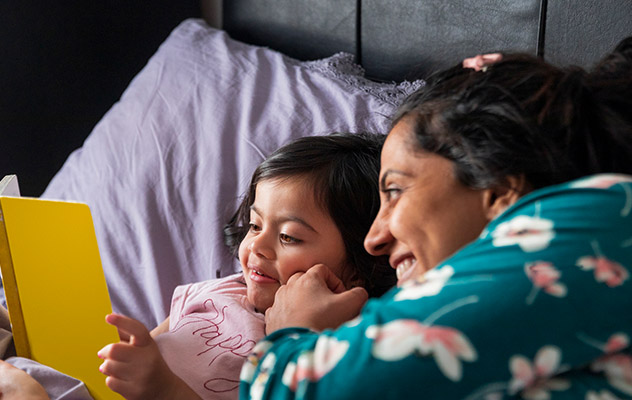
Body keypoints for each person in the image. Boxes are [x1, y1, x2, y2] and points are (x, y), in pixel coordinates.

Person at [239, 38, 632, 399]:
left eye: (394, 191)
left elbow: (288, 389)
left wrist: (292, 332)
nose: (373, 239)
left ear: (498, 189)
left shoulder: (591, 224)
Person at [0, 133, 396, 400]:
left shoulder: (339, 346)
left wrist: (162, 387)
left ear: (361, 262)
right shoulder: (214, 293)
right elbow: (139, 351)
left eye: (289, 236)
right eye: (254, 226)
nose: (258, 247)